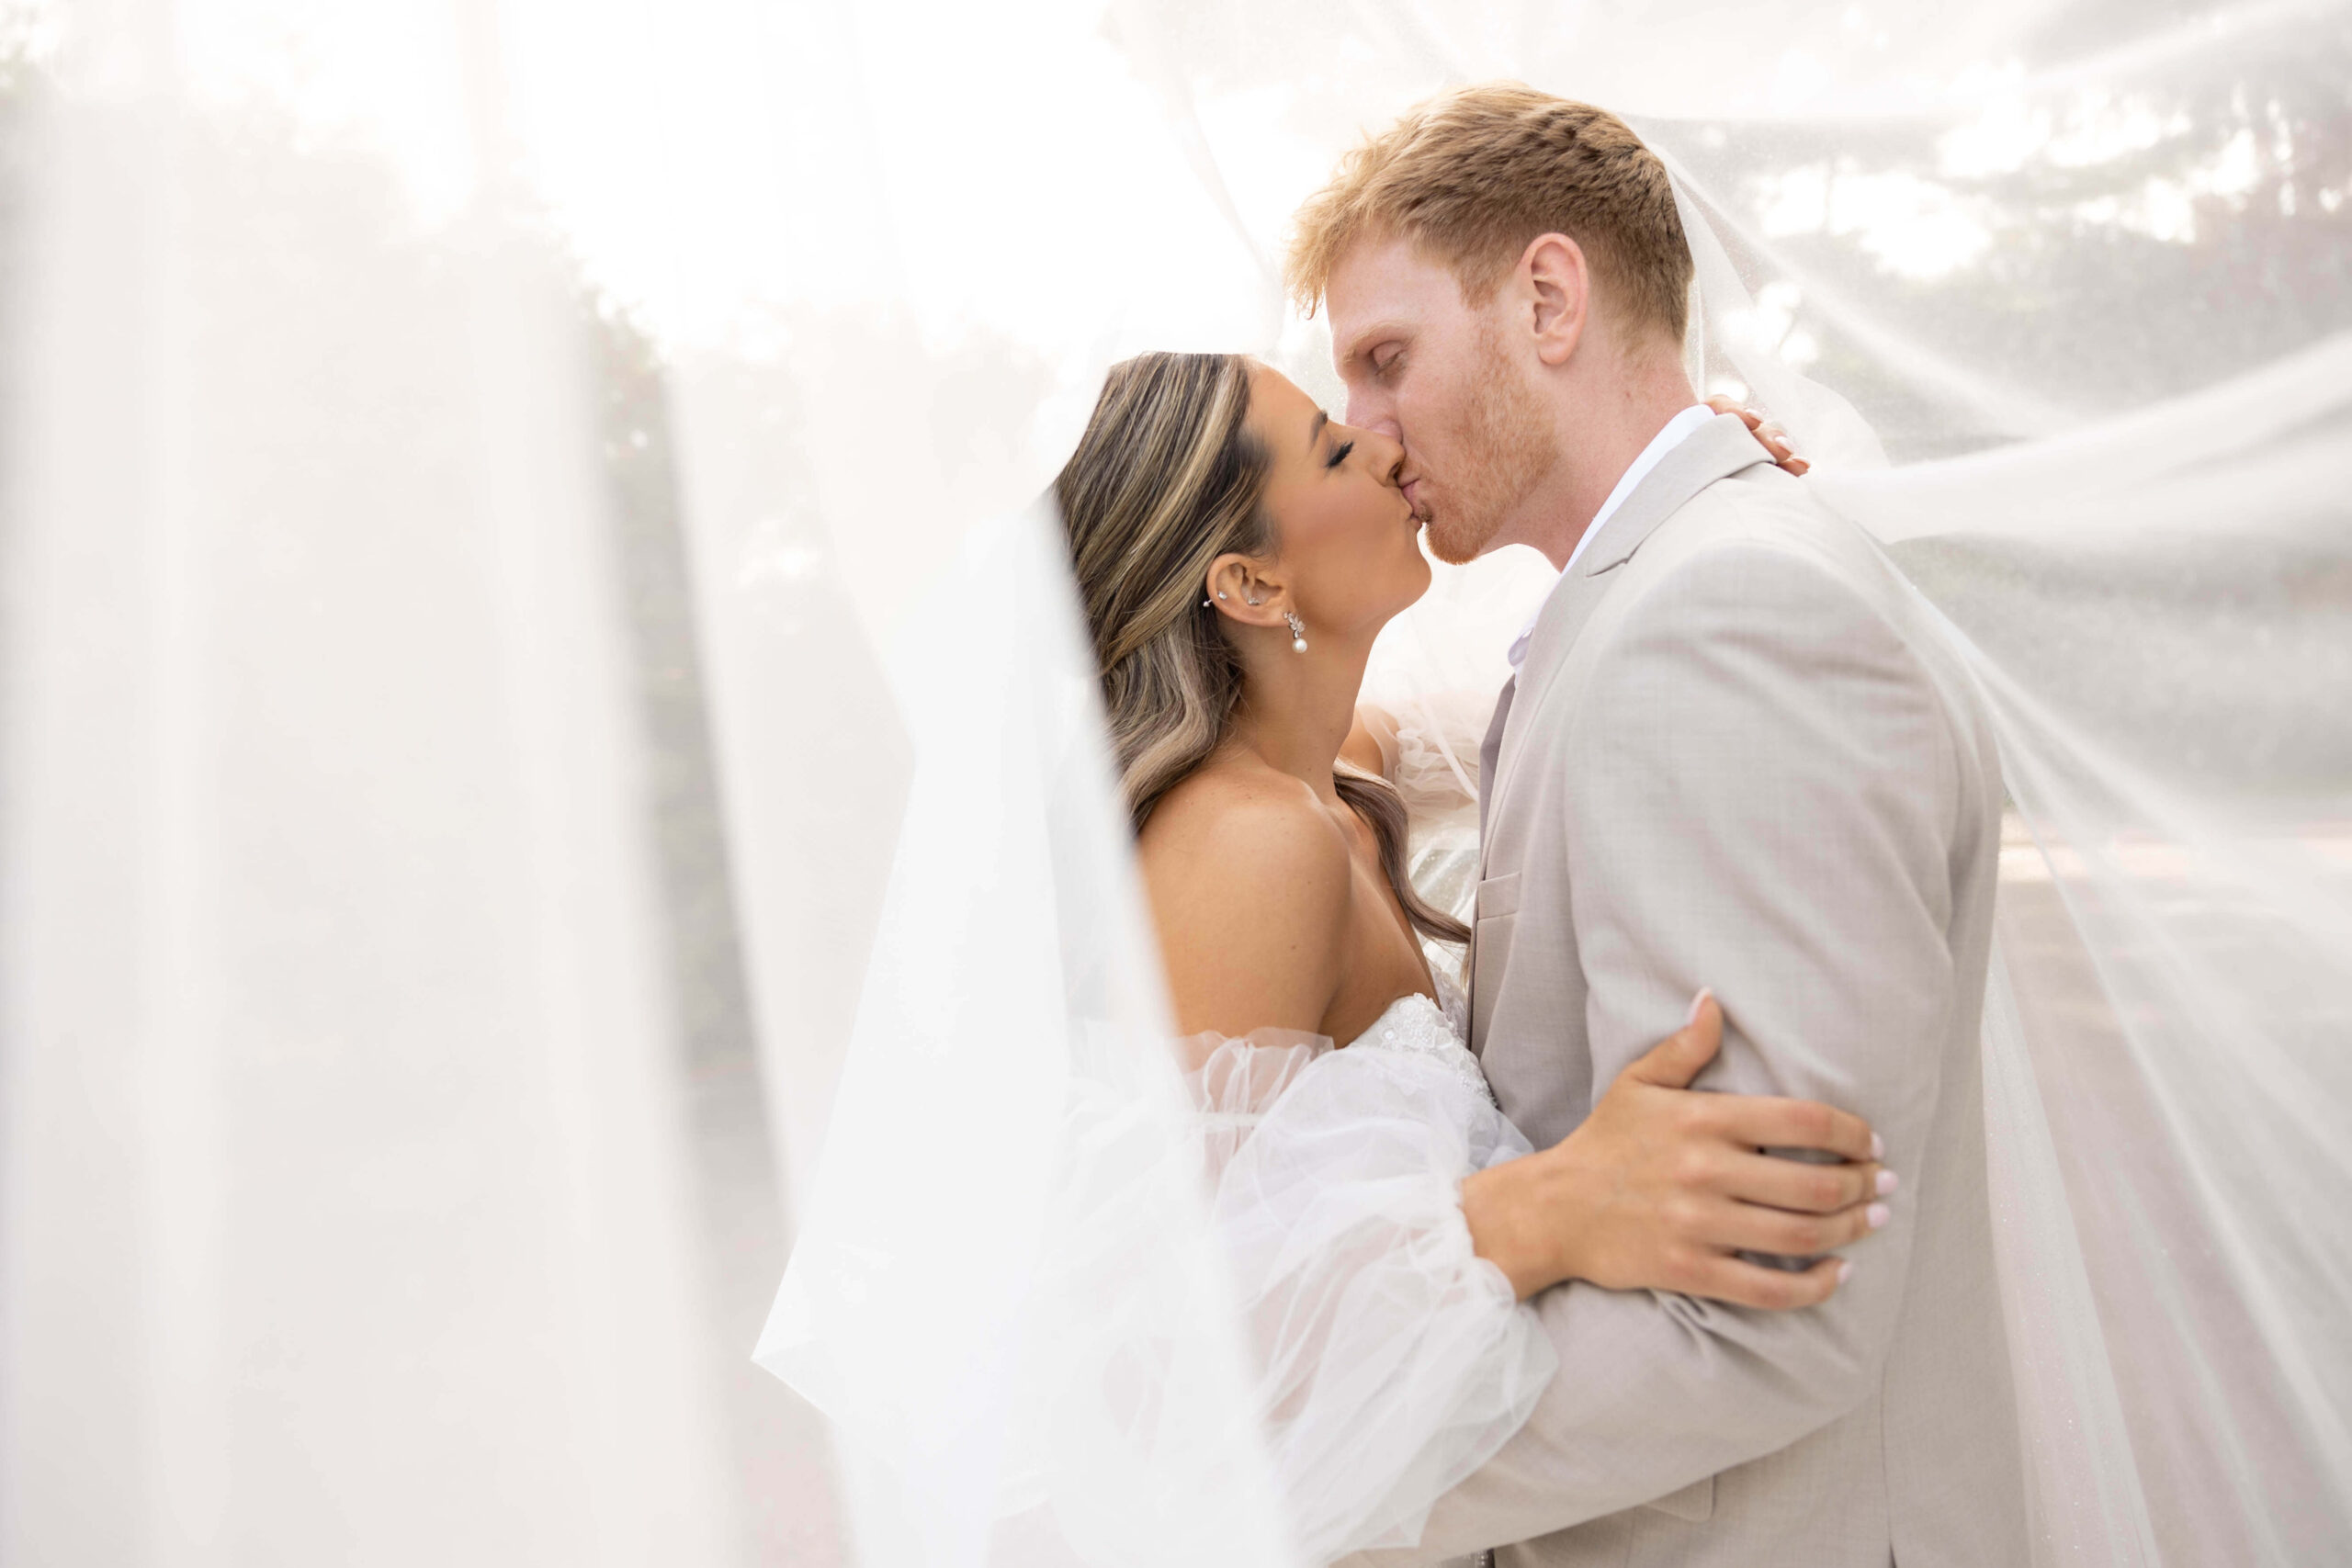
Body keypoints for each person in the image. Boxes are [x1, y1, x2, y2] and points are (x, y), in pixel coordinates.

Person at [1275, 85, 2027, 1566]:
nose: (1363, 431)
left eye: (1386, 357)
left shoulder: (1725, 615)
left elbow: (1762, 1315)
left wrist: (1304, 1485)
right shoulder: (1669, 586)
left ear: (1548, 296)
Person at [1052, 350, 1892, 1564]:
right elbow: (1153, 1341)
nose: (1388, 448)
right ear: (1245, 579)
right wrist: (1543, 1208)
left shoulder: (1333, 784)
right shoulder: (1250, 848)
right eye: (1338, 449)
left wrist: (1659, 483)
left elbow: (1477, 690)